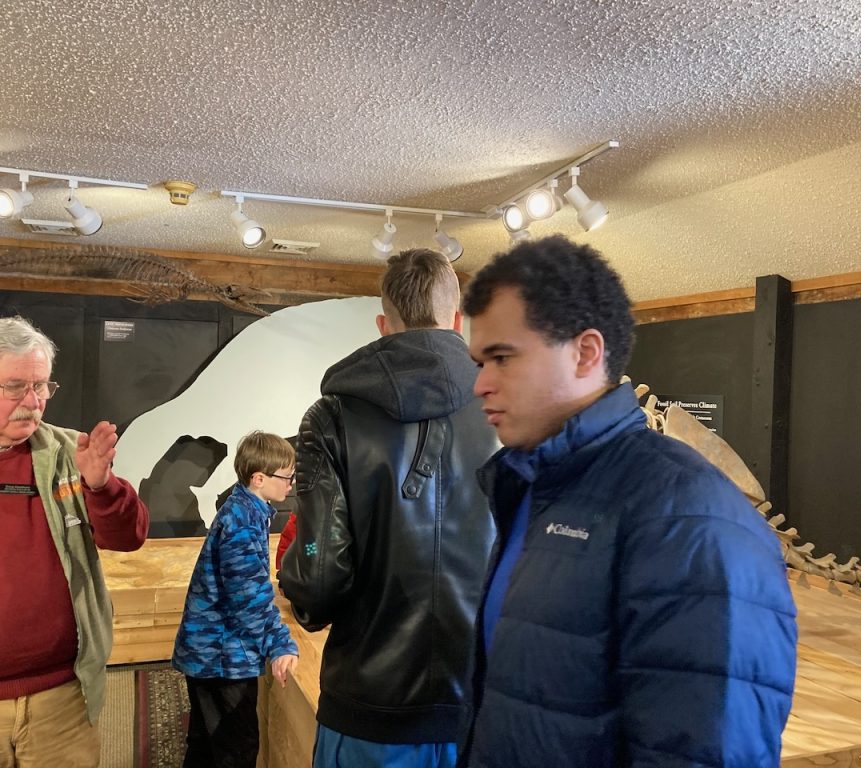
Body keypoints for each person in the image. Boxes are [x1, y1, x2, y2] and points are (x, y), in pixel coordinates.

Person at [457, 236, 798, 768]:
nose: (480, 384)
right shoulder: (533, 487)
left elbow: (706, 749)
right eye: (480, 362)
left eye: (502, 358)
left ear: (586, 353)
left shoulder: (691, 517)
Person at [279, 248, 498, 768]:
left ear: (383, 324)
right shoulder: (510, 406)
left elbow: (319, 575)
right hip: (486, 708)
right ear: (456, 320)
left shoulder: (332, 416)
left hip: (370, 710)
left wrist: (301, 593)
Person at [0, 315, 150, 766]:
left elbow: (128, 537)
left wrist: (102, 488)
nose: (33, 401)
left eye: (42, 386)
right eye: (15, 387)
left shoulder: (69, 453)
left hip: (61, 699)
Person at [172, 430, 300, 768]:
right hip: (221, 657)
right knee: (236, 749)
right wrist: (279, 643)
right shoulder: (242, 522)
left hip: (210, 652)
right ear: (259, 478)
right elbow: (249, 600)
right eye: (286, 476)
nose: (291, 483)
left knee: (206, 743)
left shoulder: (247, 511)